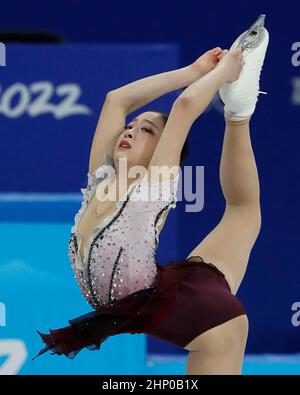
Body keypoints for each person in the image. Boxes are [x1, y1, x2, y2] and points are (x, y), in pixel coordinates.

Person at [33, 16, 269, 375]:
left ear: (161, 151)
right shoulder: (102, 176)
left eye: (146, 130)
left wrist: (224, 74)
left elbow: (186, 108)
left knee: (243, 211)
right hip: (167, 294)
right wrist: (193, 70)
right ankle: (240, 112)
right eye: (130, 127)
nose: (129, 131)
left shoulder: (155, 183)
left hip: (212, 323)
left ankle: (238, 112)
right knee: (243, 213)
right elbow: (116, 100)